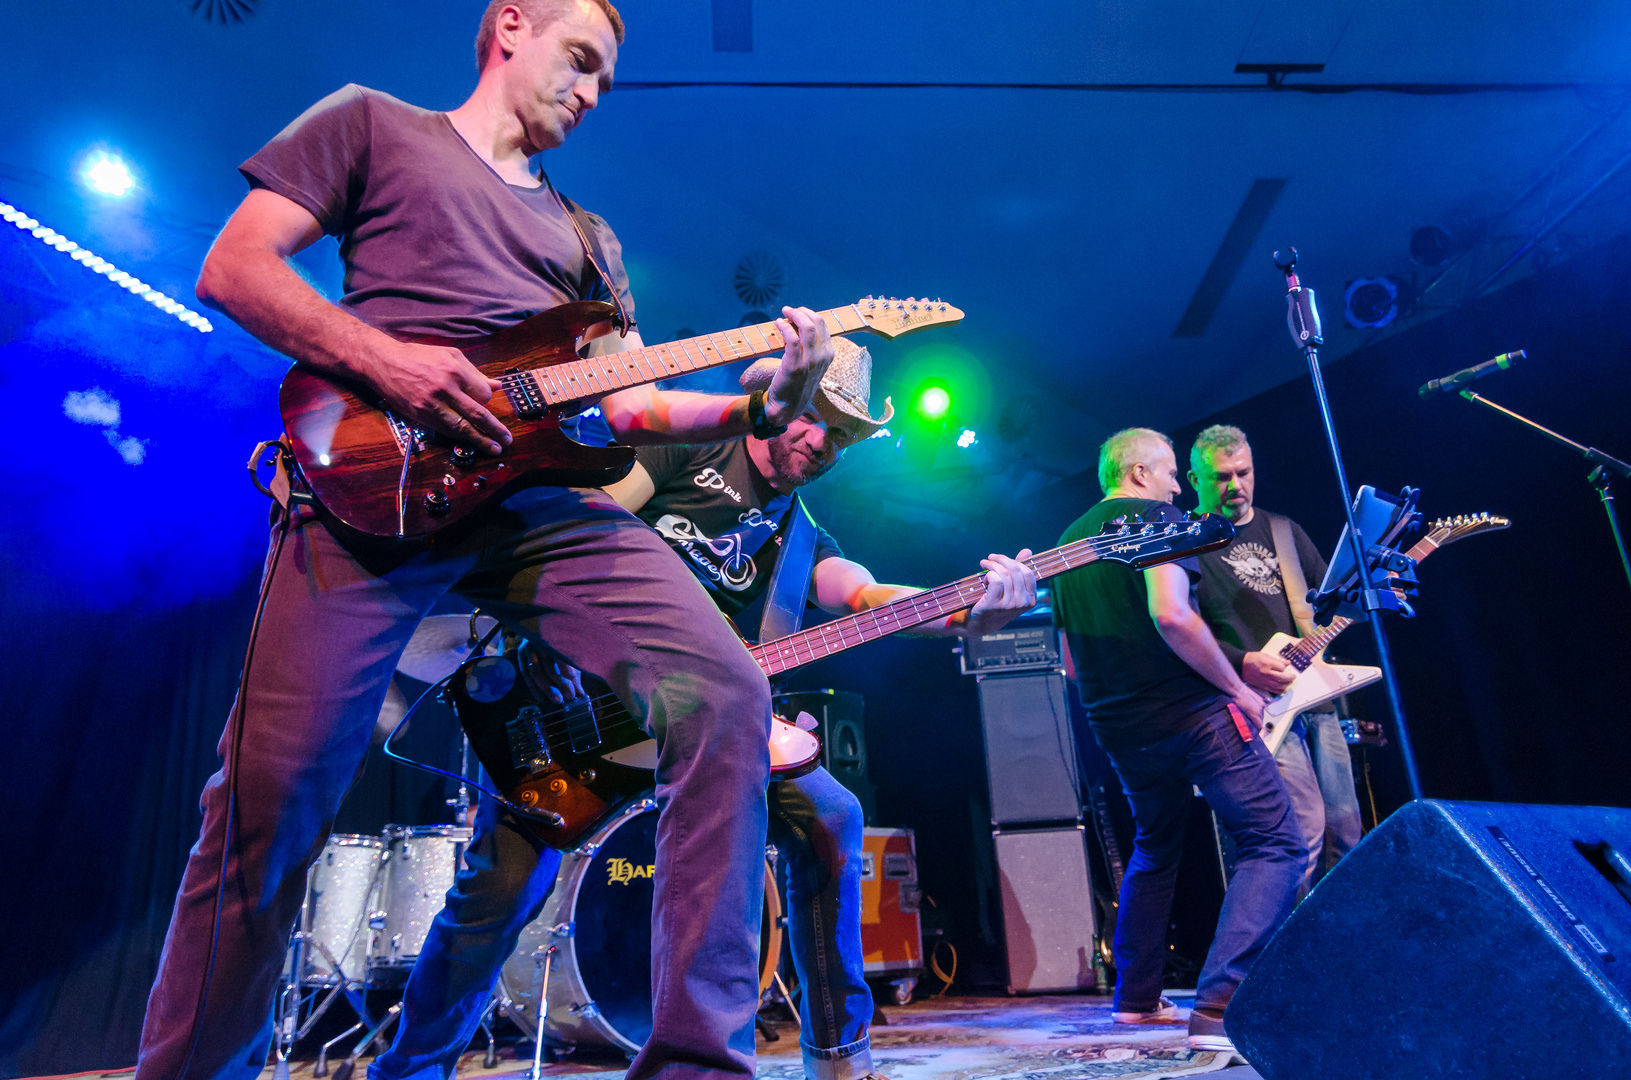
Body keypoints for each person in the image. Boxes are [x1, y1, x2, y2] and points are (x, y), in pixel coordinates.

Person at [136, 3, 838, 1080]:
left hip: (544, 504)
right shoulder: (370, 124)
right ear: (510, 24)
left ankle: (698, 1063)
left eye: (607, 79)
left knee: (727, 696)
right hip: (372, 478)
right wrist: (393, 363)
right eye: (581, 60)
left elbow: (634, 406)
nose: (593, 92)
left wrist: (758, 403)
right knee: (267, 806)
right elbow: (236, 270)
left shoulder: (587, 238)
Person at [587, 335, 1039, 1078]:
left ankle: (837, 1056)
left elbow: (864, 595)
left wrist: (967, 611)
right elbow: (584, 537)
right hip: (597, 699)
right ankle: (413, 1061)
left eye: (843, 434)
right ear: (782, 400)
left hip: (711, 719)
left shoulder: (803, 537)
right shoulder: (687, 449)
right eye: (814, 418)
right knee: (499, 890)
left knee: (831, 815)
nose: (823, 442)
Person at [1051, 428, 1302, 1055]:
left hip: (1116, 725)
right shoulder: (1154, 516)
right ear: (1138, 473)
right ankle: (1220, 1001)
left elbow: (1071, 661)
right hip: (1189, 715)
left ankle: (1136, 1001)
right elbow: (1171, 613)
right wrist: (1239, 691)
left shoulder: (1067, 541)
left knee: (1156, 846)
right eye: (1168, 472)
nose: (1176, 486)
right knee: (1276, 842)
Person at [1187, 424, 1364, 890]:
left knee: (1346, 830)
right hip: (1251, 708)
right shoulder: (1185, 547)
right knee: (1300, 833)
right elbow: (1180, 636)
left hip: (1318, 700)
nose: (1235, 486)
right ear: (1194, 480)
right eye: (1221, 477)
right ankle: (1281, 950)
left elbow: (1331, 606)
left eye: (1243, 473)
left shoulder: (1284, 532)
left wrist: (1362, 594)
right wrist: (1242, 661)